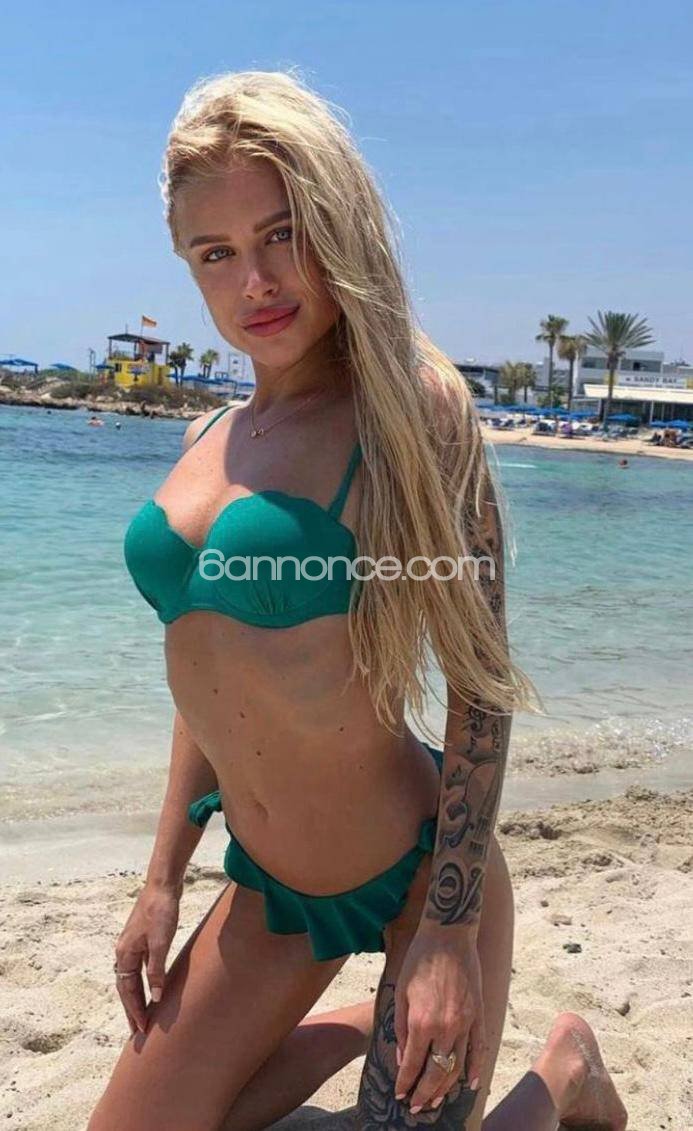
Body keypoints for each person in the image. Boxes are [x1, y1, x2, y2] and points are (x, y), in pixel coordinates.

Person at [88, 70, 628, 1131]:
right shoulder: (209, 436)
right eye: (215, 253)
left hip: (418, 872)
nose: (256, 280)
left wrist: (449, 935)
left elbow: (479, 685)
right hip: (268, 888)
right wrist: (162, 879)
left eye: (282, 233)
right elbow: (208, 680)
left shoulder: (410, 413)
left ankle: (564, 1068)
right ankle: (354, 1024)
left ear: (335, 223)